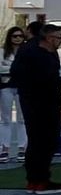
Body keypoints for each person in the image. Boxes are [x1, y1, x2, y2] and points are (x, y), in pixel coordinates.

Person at [11, 23, 61, 194]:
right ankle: (41, 180)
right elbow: (42, 79)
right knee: (43, 141)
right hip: (38, 102)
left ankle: (35, 180)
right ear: (49, 39)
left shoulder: (45, 53)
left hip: (42, 101)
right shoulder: (32, 53)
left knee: (39, 141)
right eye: (59, 38)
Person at [1, 25, 25, 163]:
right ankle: (5, 149)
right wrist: (15, 68)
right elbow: (0, 67)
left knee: (22, 119)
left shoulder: (26, 51)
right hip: (6, 86)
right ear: (10, 38)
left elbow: (28, 67)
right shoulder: (2, 52)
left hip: (22, 87)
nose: (17, 38)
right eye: (14, 36)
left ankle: (22, 148)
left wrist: (10, 69)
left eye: (20, 36)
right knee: (5, 119)